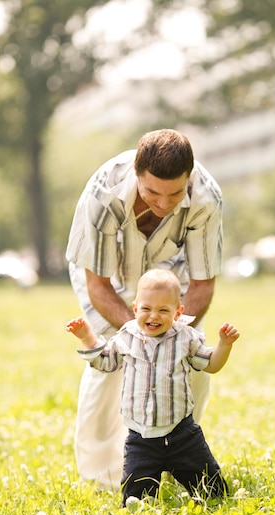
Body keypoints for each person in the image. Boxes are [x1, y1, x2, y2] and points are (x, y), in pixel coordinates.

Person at [66, 128, 223, 490]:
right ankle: (103, 475)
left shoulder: (206, 199)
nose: (164, 204)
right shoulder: (104, 193)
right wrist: (137, 333)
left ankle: (174, 453)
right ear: (137, 174)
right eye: (152, 192)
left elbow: (202, 283)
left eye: (175, 194)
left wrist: (174, 333)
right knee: (110, 357)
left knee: (189, 353)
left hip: (171, 272)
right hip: (108, 270)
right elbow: (99, 285)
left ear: (189, 178)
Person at [66, 269, 239, 505]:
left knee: (214, 494)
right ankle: (143, 493)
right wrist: (87, 337)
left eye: (163, 310)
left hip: (183, 435)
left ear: (178, 312)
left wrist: (224, 345)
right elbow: (104, 362)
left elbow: (211, 365)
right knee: (134, 502)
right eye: (146, 309)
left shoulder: (186, 338)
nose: (153, 316)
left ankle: (206, 491)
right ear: (135, 308)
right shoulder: (127, 337)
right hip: (142, 439)